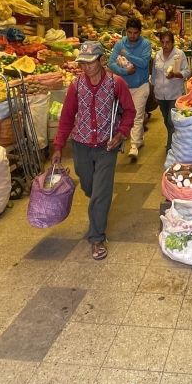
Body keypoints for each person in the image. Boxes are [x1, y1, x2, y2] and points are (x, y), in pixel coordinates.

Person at [53, 41, 136, 260]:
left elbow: (129, 111)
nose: (86, 68)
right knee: (88, 186)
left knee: (100, 194)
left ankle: (97, 238)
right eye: (83, 63)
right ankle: (98, 203)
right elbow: (67, 117)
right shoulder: (76, 86)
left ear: (101, 61)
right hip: (81, 146)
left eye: (90, 63)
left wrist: (120, 134)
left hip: (106, 146)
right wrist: (58, 146)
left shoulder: (116, 83)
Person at [108, 17, 152, 161]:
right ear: (125, 31)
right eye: (129, 32)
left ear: (140, 32)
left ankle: (134, 146)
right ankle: (138, 139)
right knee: (125, 115)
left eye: (135, 33)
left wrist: (127, 54)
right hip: (124, 87)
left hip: (141, 86)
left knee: (138, 115)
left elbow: (144, 63)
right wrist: (126, 72)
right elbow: (111, 64)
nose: (132, 36)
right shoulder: (119, 44)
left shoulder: (145, 44)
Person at [152, 29, 189, 151]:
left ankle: (171, 147)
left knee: (171, 121)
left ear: (172, 42)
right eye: (162, 42)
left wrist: (175, 75)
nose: (164, 45)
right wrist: (153, 90)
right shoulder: (157, 55)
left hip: (175, 93)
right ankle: (173, 139)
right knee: (166, 121)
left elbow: (187, 72)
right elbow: (154, 73)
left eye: (167, 42)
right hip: (160, 94)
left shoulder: (179, 54)